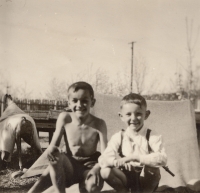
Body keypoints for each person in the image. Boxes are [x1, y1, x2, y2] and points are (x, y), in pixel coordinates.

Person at [29, 81, 107, 193]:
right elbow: (53, 146)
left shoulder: (99, 124)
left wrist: (97, 168)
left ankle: (82, 187)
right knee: (54, 155)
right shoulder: (65, 118)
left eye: (84, 101)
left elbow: (106, 154)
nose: (79, 105)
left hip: (89, 166)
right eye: (75, 101)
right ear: (69, 103)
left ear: (92, 102)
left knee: (93, 186)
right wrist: (55, 152)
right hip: (69, 165)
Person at [98, 93, 167, 193]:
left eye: (138, 114)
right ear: (121, 116)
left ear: (146, 115)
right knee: (105, 171)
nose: (133, 118)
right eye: (128, 114)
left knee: (153, 169)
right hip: (126, 177)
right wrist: (118, 162)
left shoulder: (152, 135)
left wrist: (134, 157)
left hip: (145, 178)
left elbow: (163, 158)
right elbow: (103, 159)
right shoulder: (119, 136)